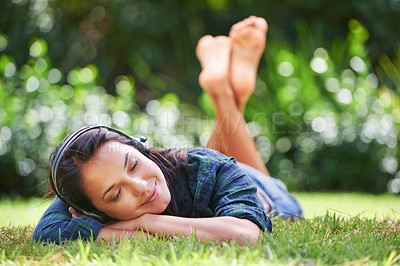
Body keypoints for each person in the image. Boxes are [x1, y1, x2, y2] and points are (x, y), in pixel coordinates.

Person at [33, 16, 302, 246]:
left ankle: (224, 93)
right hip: (211, 176)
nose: (139, 186)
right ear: (90, 211)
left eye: (134, 165)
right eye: (115, 194)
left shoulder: (207, 167)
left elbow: (246, 234)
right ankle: (229, 93)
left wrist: (146, 222)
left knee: (207, 167)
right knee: (204, 175)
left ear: (141, 149)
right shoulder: (85, 182)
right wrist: (122, 232)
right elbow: (45, 232)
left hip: (269, 196)